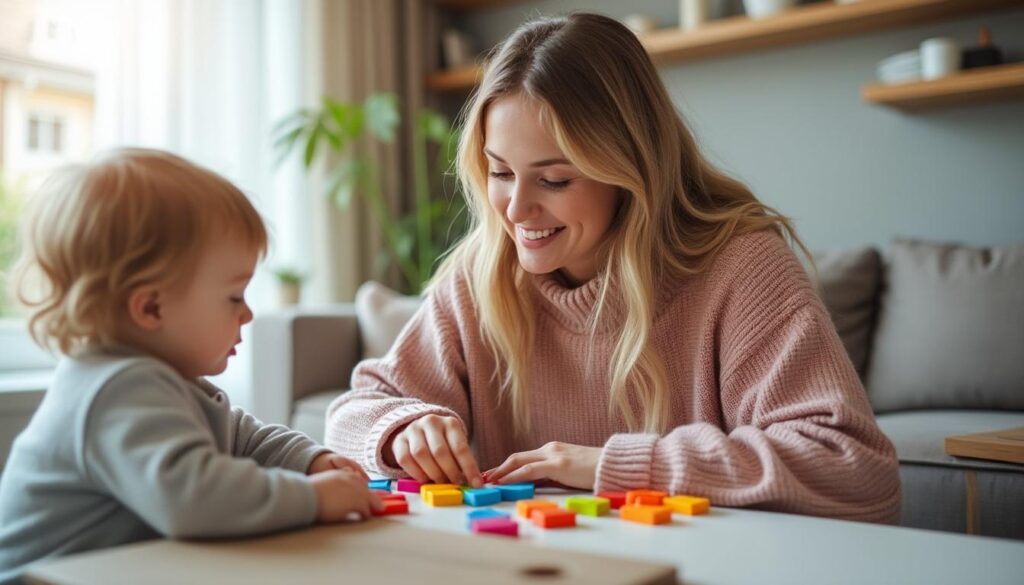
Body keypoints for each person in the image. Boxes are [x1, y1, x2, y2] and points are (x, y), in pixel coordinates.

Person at [325, 13, 900, 523]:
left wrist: (616, 465)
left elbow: (855, 470)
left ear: (630, 170)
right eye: (500, 172)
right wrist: (404, 426)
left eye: (554, 179)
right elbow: (351, 415)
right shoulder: (485, 272)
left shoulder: (741, 267)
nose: (516, 210)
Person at [0, 149, 381, 583]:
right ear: (151, 307)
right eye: (234, 297)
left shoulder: (167, 382)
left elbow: (237, 435)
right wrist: (312, 498)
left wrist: (308, 459)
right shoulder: (117, 389)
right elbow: (196, 498)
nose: (248, 314)